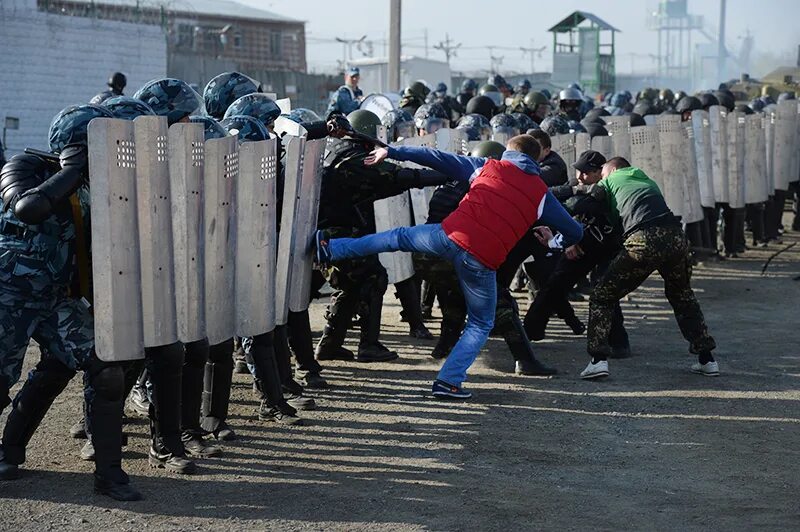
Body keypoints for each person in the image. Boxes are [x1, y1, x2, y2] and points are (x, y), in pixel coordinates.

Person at [315, 135, 583, 399]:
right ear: (537, 159)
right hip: (482, 260)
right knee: (480, 324)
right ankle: (448, 381)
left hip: (448, 236)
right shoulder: (541, 194)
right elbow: (575, 232)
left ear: (508, 152)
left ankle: (331, 248)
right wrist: (554, 241)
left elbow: (435, 158)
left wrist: (392, 151)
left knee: (396, 237)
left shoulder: (485, 166)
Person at [0, 104, 141, 500]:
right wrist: (72, 170)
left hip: (56, 299)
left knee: (107, 368)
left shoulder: (101, 184)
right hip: (10, 295)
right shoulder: (25, 165)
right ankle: (8, 452)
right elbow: (29, 208)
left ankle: (109, 475)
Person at [579, 157, 718, 380]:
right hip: (676, 237)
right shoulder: (647, 181)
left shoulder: (610, 180)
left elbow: (589, 203)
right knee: (683, 296)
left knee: (602, 295)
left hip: (643, 239)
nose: (601, 178)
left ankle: (597, 361)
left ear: (612, 169)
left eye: (603, 173)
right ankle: (707, 359)